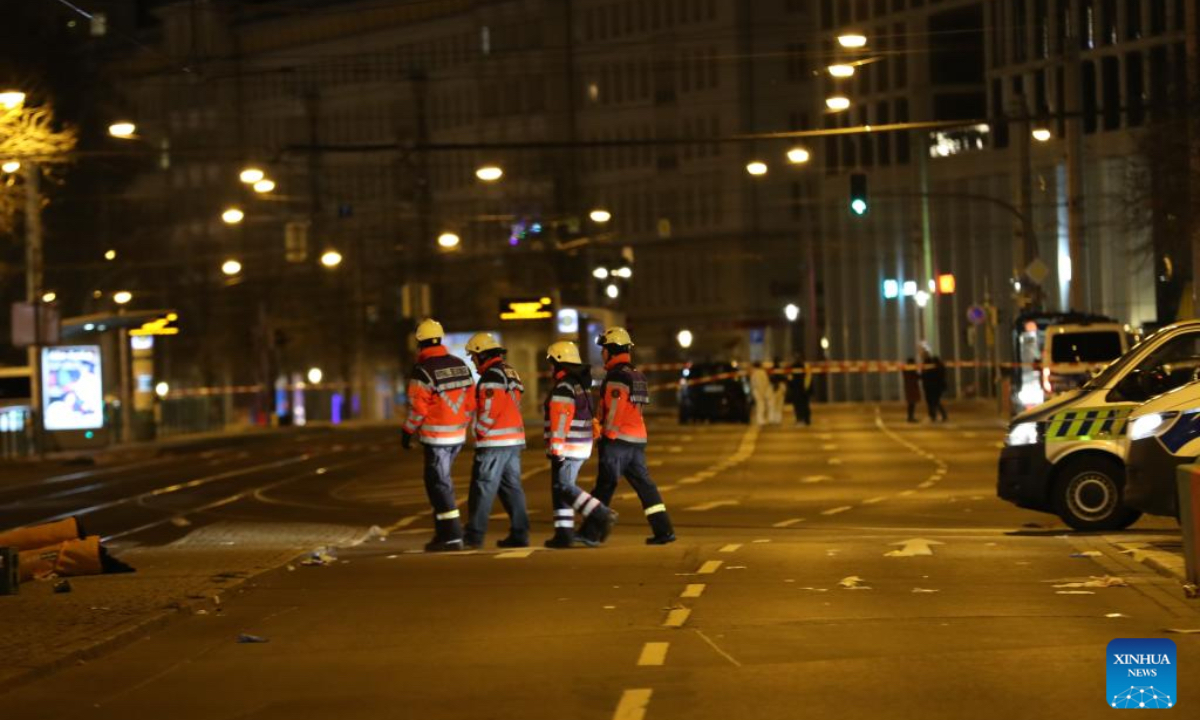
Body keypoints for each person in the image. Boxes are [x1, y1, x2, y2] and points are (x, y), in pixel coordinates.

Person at [580, 328, 677, 545]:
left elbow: (616, 409)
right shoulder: (636, 374)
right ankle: (664, 530)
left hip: (618, 441)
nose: (602, 353)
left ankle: (591, 533)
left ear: (612, 350)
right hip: (636, 440)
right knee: (645, 487)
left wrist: (607, 436)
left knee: (605, 486)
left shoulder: (617, 376)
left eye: (604, 349)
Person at [401, 319, 477, 552]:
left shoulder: (422, 371)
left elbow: (418, 409)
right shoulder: (460, 365)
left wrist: (407, 431)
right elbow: (472, 400)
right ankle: (442, 534)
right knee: (441, 483)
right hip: (457, 435)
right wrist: (462, 422)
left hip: (436, 438)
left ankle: (452, 536)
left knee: (439, 485)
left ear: (419, 343)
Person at [543, 341, 618, 548]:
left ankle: (601, 514)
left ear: (559, 363)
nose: (549, 367)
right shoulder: (579, 384)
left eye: (551, 363)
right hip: (580, 443)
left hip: (568, 446)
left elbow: (560, 420)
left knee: (565, 487)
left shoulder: (564, 387)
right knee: (560, 490)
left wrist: (556, 447)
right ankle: (563, 535)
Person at [462, 332, 530, 549]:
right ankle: (520, 534)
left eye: (473, 356)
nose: (472, 361)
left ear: (482, 355)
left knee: (482, 488)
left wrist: (479, 431)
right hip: (514, 439)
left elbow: (491, 409)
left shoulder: (491, 377)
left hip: (494, 442)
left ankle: (474, 535)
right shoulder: (510, 372)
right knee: (512, 488)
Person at [921, 355, 949, 422]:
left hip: (931, 387)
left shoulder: (932, 369)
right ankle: (937, 415)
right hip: (937, 387)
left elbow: (925, 377)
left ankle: (934, 416)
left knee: (933, 402)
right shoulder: (940, 367)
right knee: (935, 402)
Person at [787, 359, 813, 426]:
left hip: (797, 390)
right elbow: (808, 380)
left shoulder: (793, 370)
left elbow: (790, 380)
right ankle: (806, 420)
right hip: (803, 391)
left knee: (798, 406)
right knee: (805, 406)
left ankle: (800, 419)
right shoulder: (805, 370)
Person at [749, 362, 771, 426]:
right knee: (761, 405)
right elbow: (765, 382)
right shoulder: (762, 372)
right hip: (760, 391)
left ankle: (760, 419)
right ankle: (761, 420)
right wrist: (763, 391)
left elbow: (752, 383)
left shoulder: (755, 373)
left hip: (756, 391)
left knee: (760, 405)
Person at [768, 358, 787, 425]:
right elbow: (785, 379)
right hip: (778, 388)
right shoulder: (779, 370)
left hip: (776, 388)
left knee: (773, 405)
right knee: (778, 405)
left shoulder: (772, 370)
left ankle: (773, 419)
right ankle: (776, 419)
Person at [903, 358, 922, 423]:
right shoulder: (911, 370)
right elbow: (917, 377)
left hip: (909, 388)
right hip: (912, 388)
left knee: (911, 404)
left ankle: (910, 416)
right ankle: (910, 417)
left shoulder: (905, 369)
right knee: (912, 404)